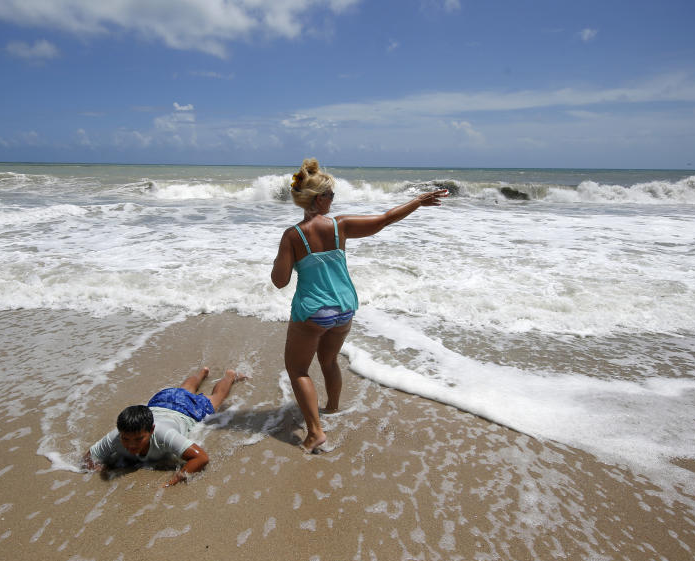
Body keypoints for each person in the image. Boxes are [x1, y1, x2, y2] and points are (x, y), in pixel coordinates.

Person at [271, 159, 448, 453]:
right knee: (329, 361)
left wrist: (283, 254)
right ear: (319, 198)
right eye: (331, 195)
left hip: (313, 311)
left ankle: (315, 432)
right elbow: (386, 218)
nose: (333, 200)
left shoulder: (293, 235)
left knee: (298, 369)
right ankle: (332, 408)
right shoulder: (341, 226)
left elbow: (279, 281)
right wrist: (418, 201)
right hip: (345, 309)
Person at [83, 367, 246, 487]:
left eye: (139, 439)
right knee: (183, 390)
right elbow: (88, 457)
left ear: (152, 430)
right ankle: (202, 373)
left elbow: (201, 458)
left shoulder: (162, 434)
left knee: (215, 399)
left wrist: (177, 478)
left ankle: (229, 376)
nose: (131, 444)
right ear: (120, 432)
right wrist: (98, 467)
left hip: (185, 409)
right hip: (160, 402)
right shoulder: (115, 437)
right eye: (126, 439)